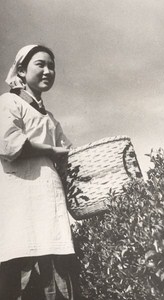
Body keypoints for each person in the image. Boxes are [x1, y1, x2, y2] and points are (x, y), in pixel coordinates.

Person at [0, 45, 79, 300]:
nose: (48, 70)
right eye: (40, 64)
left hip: (50, 200)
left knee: (55, 260)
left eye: (52, 66)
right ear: (21, 71)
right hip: (22, 198)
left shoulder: (51, 119)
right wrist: (52, 150)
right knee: (24, 263)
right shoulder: (8, 101)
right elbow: (9, 143)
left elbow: (69, 155)